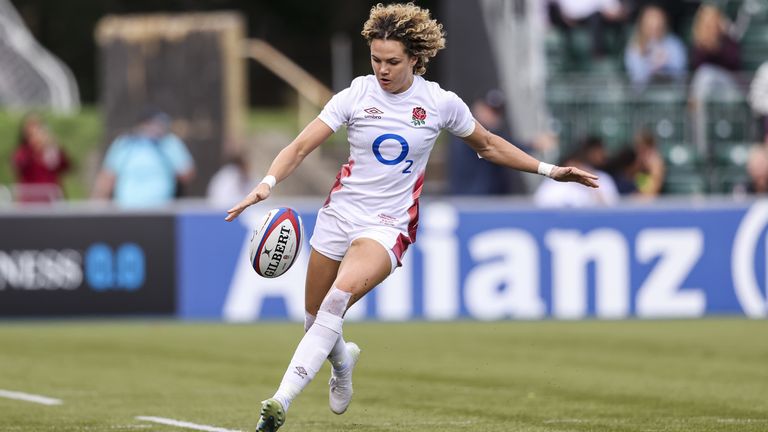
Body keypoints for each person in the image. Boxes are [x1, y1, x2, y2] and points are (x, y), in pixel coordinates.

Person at [224, 4, 599, 431]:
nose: (382, 70)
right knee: (314, 322)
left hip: (387, 225)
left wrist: (551, 170)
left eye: (392, 62)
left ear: (416, 59)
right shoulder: (355, 95)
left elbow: (490, 144)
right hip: (339, 215)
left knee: (334, 302)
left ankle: (278, 402)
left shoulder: (440, 104)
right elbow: (300, 146)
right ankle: (343, 363)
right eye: (376, 60)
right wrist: (268, 183)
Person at [92, 109, 195, 208]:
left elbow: (186, 174)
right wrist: (97, 207)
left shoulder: (169, 143)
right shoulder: (125, 143)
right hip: (126, 210)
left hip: (162, 211)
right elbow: (107, 178)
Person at [624, 5, 687, 91]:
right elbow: (636, 76)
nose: (655, 26)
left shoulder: (674, 43)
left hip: (670, 91)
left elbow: (680, 70)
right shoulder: (635, 45)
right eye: (650, 23)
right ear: (643, 24)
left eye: (658, 22)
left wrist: (665, 64)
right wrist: (651, 65)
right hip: (644, 94)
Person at [11, 113, 71, 202]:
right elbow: (19, 165)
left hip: (51, 199)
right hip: (30, 200)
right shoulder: (22, 151)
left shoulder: (51, 150)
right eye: (31, 126)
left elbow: (65, 166)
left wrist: (55, 147)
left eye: (37, 126)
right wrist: (34, 148)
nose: (35, 130)